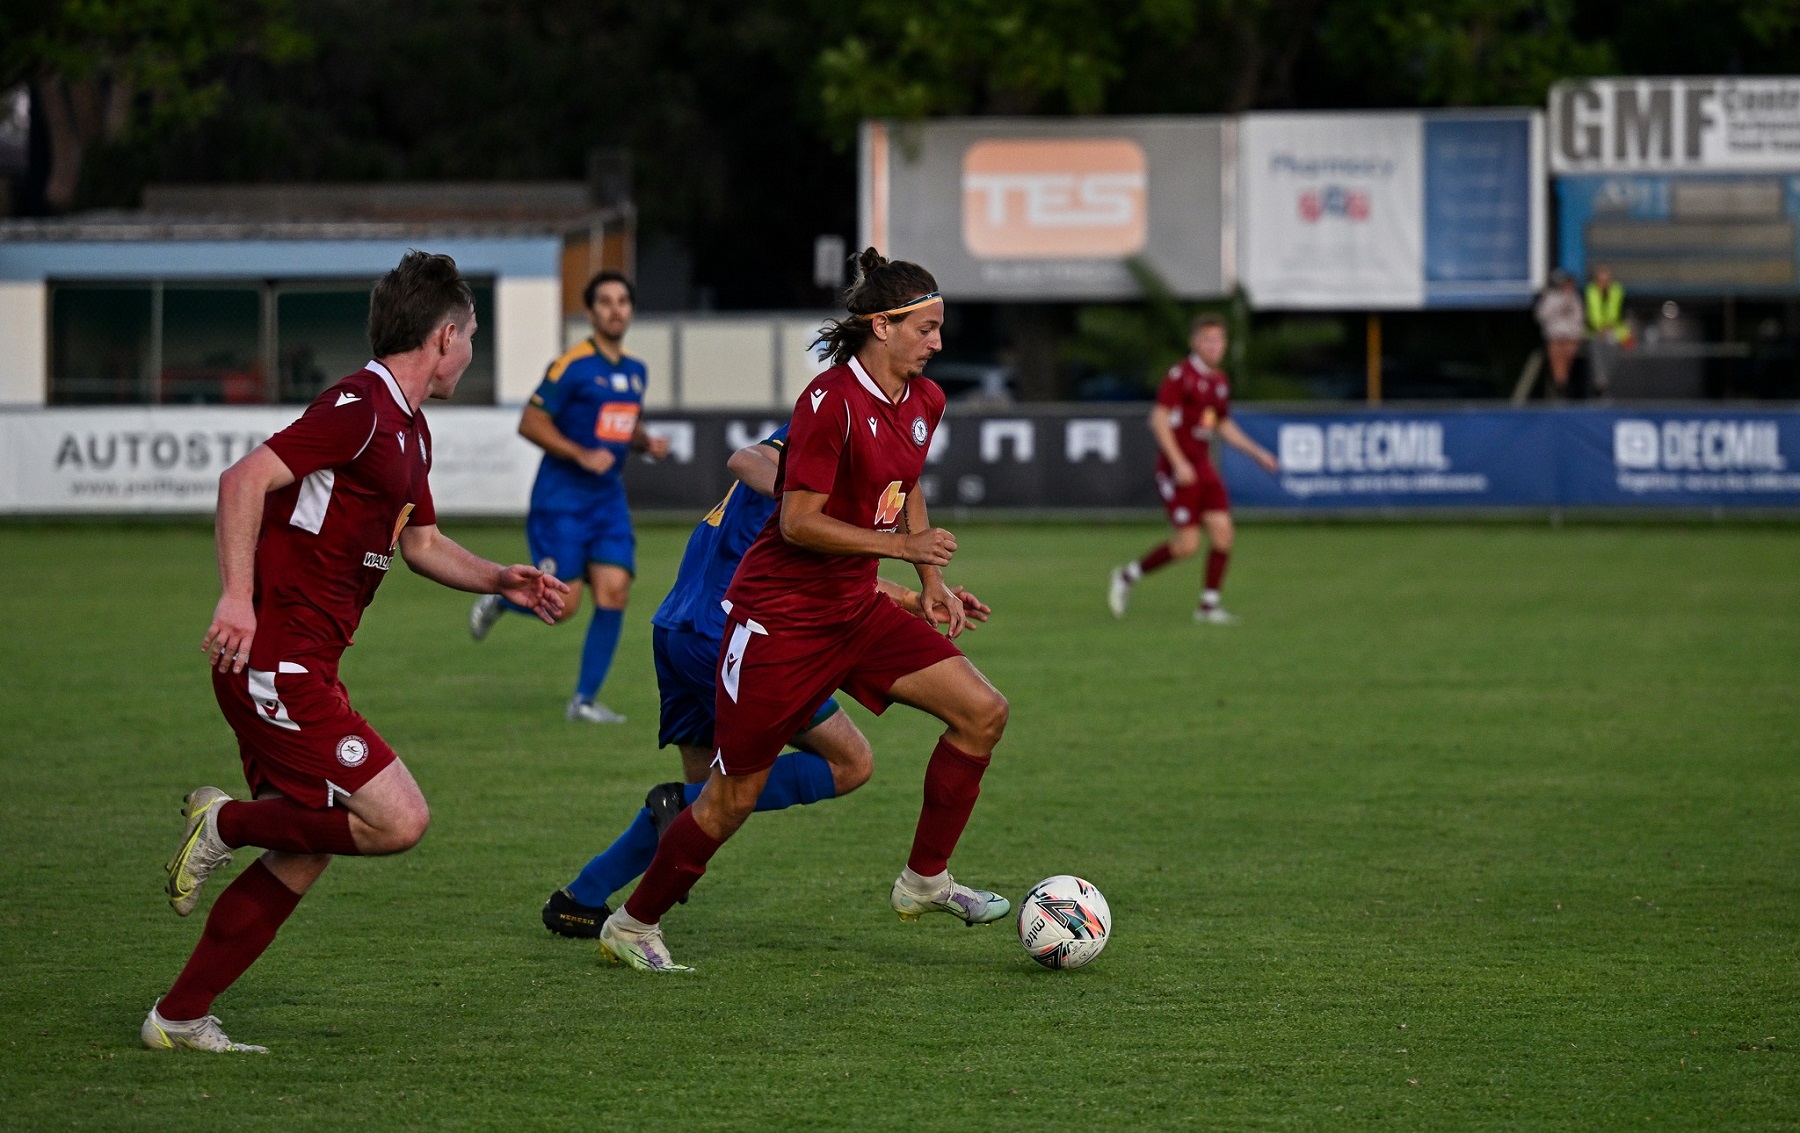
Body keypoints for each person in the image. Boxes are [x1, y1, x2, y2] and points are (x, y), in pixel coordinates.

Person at [146, 252, 569, 1054]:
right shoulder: (361, 405)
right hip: (277, 660)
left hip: (308, 663)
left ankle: (178, 1016)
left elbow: (424, 543)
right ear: (446, 336)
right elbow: (243, 481)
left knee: (305, 851)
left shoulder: (409, 427)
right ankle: (225, 821)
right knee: (397, 817)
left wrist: (499, 577)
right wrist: (237, 597)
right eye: (471, 335)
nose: (471, 349)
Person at [594, 249, 1012, 972]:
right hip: (778, 624)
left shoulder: (925, 400)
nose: (938, 343)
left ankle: (923, 880)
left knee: (983, 712)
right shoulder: (828, 402)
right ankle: (631, 923)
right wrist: (900, 541)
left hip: (855, 611)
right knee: (728, 801)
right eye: (927, 328)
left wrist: (930, 578)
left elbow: (906, 485)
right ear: (882, 326)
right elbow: (796, 523)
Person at [542, 424, 990, 936]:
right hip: (732, 633)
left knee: (702, 799)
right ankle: (656, 855)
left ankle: (580, 897)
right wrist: (796, 493)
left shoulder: (849, 445)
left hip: (677, 628)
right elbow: (747, 459)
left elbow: (837, 572)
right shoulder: (829, 432)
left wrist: (916, 598)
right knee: (845, 763)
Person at [467, 271, 670, 724]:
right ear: (591, 312)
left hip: (607, 500)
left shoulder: (636, 372)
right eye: (605, 301)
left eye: (622, 301)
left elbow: (617, 425)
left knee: (615, 592)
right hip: (562, 499)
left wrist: (644, 443)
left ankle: (583, 701)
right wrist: (579, 453)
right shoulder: (572, 365)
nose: (616, 309)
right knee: (565, 605)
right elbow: (530, 422)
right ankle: (500, 601)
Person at [1108, 314, 1278, 624]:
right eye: (1207, 340)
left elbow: (1222, 424)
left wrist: (1257, 452)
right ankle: (1127, 576)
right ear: (1195, 342)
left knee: (1224, 534)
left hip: (1203, 467)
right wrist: (1179, 462)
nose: (1213, 346)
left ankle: (1208, 606)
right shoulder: (1180, 375)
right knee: (1187, 545)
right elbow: (1158, 420)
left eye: (1218, 340)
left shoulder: (1219, 382)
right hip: (1178, 469)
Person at [1534, 270, 1584, 398]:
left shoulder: (1575, 298)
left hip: (1570, 336)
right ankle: (1560, 384)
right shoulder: (1550, 297)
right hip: (1554, 335)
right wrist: (1558, 307)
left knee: (1568, 351)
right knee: (1557, 354)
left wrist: (1576, 336)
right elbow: (1540, 316)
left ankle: (1564, 383)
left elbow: (1579, 319)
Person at [1584, 263, 1629, 396]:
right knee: (1596, 353)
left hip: (1614, 330)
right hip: (1595, 331)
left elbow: (1620, 312)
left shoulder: (1617, 290)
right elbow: (1591, 312)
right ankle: (1600, 382)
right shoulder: (1590, 291)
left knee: (1612, 356)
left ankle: (1607, 385)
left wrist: (1614, 329)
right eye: (1601, 276)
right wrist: (1599, 328)